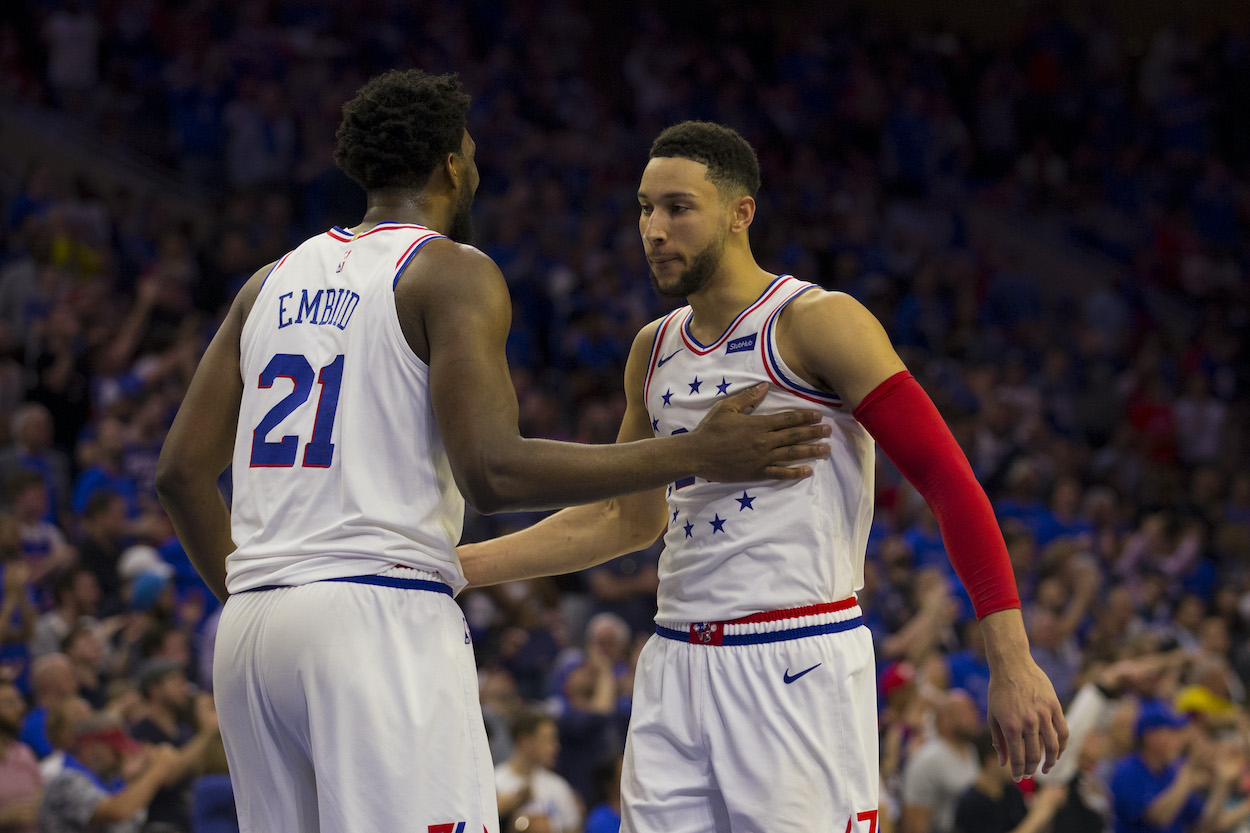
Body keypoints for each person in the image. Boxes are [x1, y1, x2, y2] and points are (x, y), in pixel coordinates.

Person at [155, 71, 828, 833]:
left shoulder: (266, 283)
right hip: (374, 612)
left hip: (249, 631)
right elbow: (494, 470)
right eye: (470, 155)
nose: (475, 169)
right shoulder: (451, 269)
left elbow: (179, 472)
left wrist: (258, 592)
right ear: (449, 165)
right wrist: (691, 452)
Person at [458, 120, 1068, 832]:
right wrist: (460, 564)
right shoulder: (652, 349)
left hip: (794, 663)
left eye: (678, 207)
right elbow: (625, 520)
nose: (654, 229)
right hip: (674, 663)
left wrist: (1012, 658)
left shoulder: (817, 322)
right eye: (644, 208)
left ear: (741, 212)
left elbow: (947, 479)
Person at [37, 712, 182, 833]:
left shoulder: (108, 779)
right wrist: (156, 770)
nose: (121, 755)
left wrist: (136, 776)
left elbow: (129, 822)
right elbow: (117, 812)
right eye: (114, 750)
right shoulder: (66, 781)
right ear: (89, 748)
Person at [953, 729, 1067, 833]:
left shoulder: (1011, 792)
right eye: (1012, 755)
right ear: (991, 761)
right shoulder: (970, 804)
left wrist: (1049, 808)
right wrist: (1039, 813)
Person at [900, 689, 983, 833]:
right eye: (965, 711)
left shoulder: (972, 751)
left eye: (973, 709)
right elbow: (915, 823)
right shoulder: (927, 760)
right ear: (943, 719)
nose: (974, 715)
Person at [495, 711, 583, 833]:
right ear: (525, 742)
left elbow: (573, 829)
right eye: (548, 740)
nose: (556, 747)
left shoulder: (557, 785)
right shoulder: (496, 782)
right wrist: (506, 807)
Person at [0, 680, 42, 833]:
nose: (20, 708)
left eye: (18, 700)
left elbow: (41, 797)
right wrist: (5, 818)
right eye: (10, 703)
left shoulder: (24, 752)